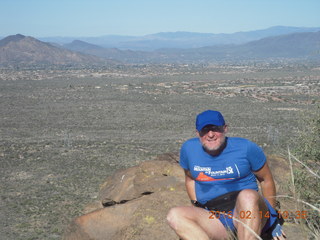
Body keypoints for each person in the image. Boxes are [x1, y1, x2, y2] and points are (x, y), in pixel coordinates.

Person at [167, 110, 286, 240]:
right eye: (205, 130)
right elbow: (190, 179)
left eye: (215, 129)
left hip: (246, 211)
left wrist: (273, 220)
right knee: (175, 215)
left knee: (247, 196)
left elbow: (266, 180)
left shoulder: (246, 148)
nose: (210, 134)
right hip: (213, 216)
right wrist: (196, 205)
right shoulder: (189, 149)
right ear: (197, 133)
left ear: (225, 129)